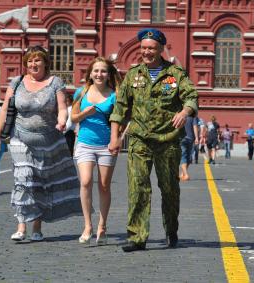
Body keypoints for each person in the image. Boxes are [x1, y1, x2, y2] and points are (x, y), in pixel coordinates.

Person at [108, 28, 198, 252]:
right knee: (137, 188)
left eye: (151, 48)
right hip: (139, 140)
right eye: (143, 48)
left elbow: (191, 97)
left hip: (167, 140)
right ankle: (137, 236)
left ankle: (171, 230)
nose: (146, 52)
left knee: (169, 189)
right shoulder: (133, 74)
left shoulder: (175, 74)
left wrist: (185, 112)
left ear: (160, 49)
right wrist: (115, 138)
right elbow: (120, 107)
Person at [0, 45, 82, 242]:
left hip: (48, 141)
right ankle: (21, 226)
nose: (33, 64)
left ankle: (37, 227)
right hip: (20, 138)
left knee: (40, 183)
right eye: (30, 61)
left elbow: (62, 107)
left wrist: (61, 121)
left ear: (45, 63)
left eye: (37, 60)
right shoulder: (17, 82)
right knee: (24, 179)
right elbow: (5, 110)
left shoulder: (55, 82)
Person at [71, 57, 122, 245]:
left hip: (106, 146)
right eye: (96, 71)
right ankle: (87, 226)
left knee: (104, 186)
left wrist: (116, 140)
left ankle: (102, 226)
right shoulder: (81, 92)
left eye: (103, 71)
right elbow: (74, 118)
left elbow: (120, 120)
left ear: (108, 74)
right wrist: (86, 113)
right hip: (84, 143)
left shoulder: (115, 95)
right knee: (85, 182)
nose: (99, 74)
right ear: (90, 74)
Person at [179, 116, 199, 181]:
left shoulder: (180, 114)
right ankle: (183, 174)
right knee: (188, 156)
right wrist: (196, 137)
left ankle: (185, 174)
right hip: (190, 138)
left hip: (181, 138)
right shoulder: (193, 116)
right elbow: (195, 126)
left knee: (183, 156)